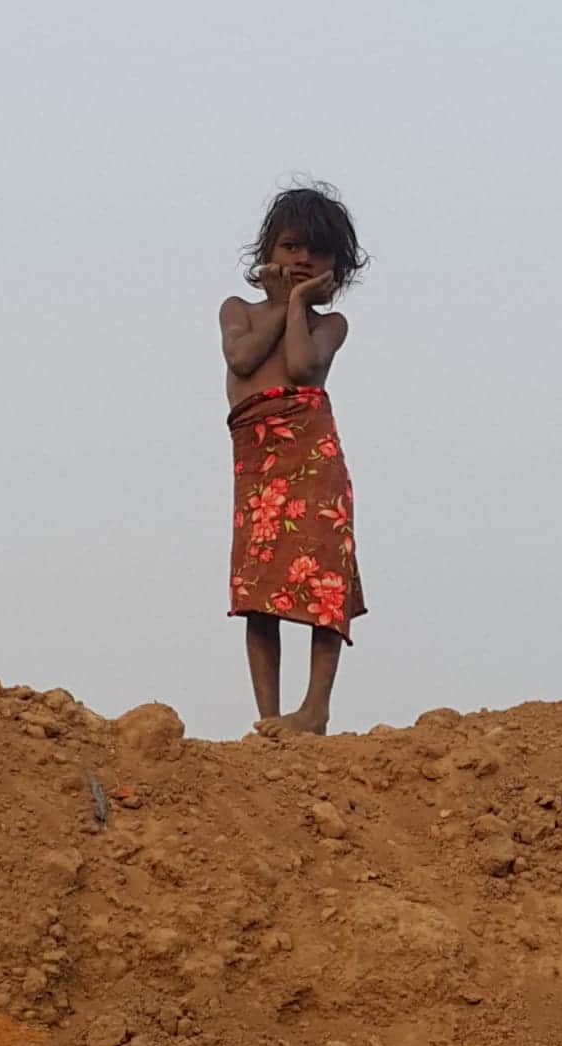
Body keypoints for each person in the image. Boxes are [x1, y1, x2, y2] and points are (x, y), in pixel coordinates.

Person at [220, 183, 368, 737]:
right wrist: (281, 305)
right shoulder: (237, 311)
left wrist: (299, 306)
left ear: (337, 267)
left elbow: (304, 369)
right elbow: (242, 356)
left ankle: (314, 710)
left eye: (317, 251)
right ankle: (269, 716)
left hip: (311, 449)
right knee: (258, 586)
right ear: (268, 250)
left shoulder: (330, 324)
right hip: (257, 457)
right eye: (290, 246)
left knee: (322, 573)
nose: (301, 259)